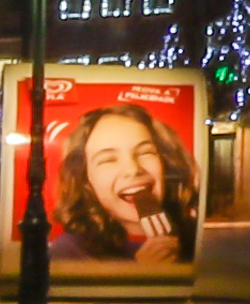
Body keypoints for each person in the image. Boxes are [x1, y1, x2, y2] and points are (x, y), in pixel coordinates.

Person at [49, 104, 193, 262]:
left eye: (145, 152)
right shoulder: (69, 252)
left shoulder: (194, 237)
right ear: (85, 181)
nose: (133, 169)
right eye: (108, 160)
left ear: (167, 162)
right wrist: (140, 274)